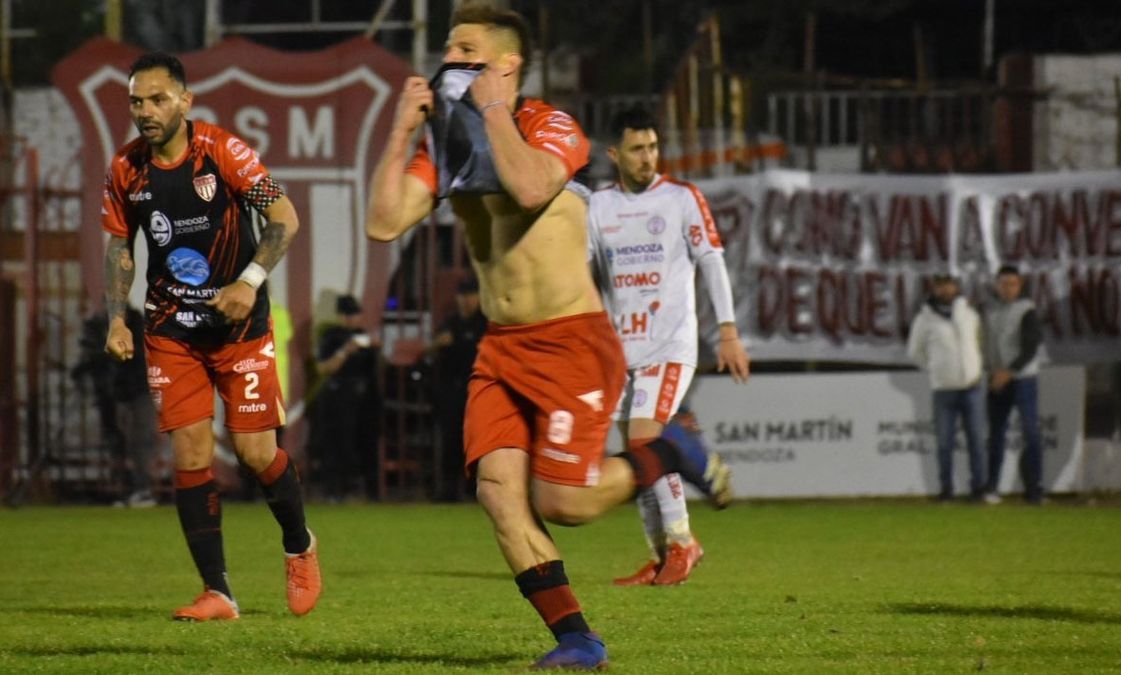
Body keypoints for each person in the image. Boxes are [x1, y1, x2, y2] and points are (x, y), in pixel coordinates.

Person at [364, 3, 731, 669]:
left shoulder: (548, 125)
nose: (450, 58)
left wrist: (496, 108)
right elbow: (385, 223)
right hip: (501, 346)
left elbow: (531, 187)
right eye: (448, 47)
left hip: (569, 340)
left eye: (466, 47)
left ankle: (672, 447)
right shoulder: (445, 140)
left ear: (506, 64)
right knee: (498, 492)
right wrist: (402, 131)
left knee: (563, 502)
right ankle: (577, 638)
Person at [101, 52, 320, 621]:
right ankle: (218, 592)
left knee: (255, 453)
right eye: (136, 102)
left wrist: (249, 280)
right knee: (191, 452)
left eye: (157, 99)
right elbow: (120, 245)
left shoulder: (222, 152)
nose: (145, 112)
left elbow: (285, 217)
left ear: (184, 101)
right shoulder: (126, 167)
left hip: (239, 326)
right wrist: (116, 317)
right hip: (172, 327)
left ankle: (299, 543)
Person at [588, 107, 749, 586]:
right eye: (637, 149)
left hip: (668, 344)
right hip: (620, 349)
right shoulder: (597, 207)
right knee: (636, 453)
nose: (647, 158)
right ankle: (660, 554)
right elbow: (585, 275)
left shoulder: (681, 198)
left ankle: (683, 542)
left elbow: (712, 260)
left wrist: (728, 330)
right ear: (615, 154)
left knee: (643, 438)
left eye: (653, 147)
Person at [907, 273, 987, 502]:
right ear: (934, 289)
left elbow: (979, 344)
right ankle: (946, 489)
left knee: (976, 440)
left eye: (949, 285)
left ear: (956, 287)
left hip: (971, 385)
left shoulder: (970, 315)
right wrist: (936, 370)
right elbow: (915, 352)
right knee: (944, 443)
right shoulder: (924, 319)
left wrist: (975, 368)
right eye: (941, 286)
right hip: (943, 389)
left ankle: (978, 488)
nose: (945, 290)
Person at [74, 307, 158, 507]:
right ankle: (127, 489)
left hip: (138, 389)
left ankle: (142, 489)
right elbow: (90, 354)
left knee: (140, 439)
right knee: (118, 441)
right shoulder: (97, 325)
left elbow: (136, 354)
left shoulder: (137, 324)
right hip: (114, 392)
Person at [983, 265, 1045, 505]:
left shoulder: (1027, 310)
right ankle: (992, 487)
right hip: (997, 378)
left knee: (1031, 431)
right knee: (996, 434)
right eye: (1004, 283)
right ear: (997, 285)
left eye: (1013, 284)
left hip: (1022, 379)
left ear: (1020, 285)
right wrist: (991, 371)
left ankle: (1034, 487)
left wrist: (1009, 371)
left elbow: (1031, 346)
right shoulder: (989, 310)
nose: (1008, 288)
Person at [311, 294, 380, 501]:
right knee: (339, 444)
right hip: (338, 396)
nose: (353, 318)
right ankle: (336, 490)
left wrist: (377, 348)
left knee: (366, 444)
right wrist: (345, 351)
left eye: (355, 314)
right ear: (341, 315)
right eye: (349, 314)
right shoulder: (331, 336)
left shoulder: (362, 335)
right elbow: (324, 368)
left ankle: (368, 491)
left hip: (363, 399)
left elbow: (373, 371)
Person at [428, 277, 487, 502]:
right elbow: (430, 350)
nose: (466, 300)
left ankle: (475, 489)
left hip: (477, 389)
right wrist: (437, 343)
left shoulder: (484, 323)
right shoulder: (450, 323)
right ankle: (449, 490)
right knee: (451, 440)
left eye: (470, 295)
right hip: (452, 390)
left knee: (477, 442)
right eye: (462, 296)